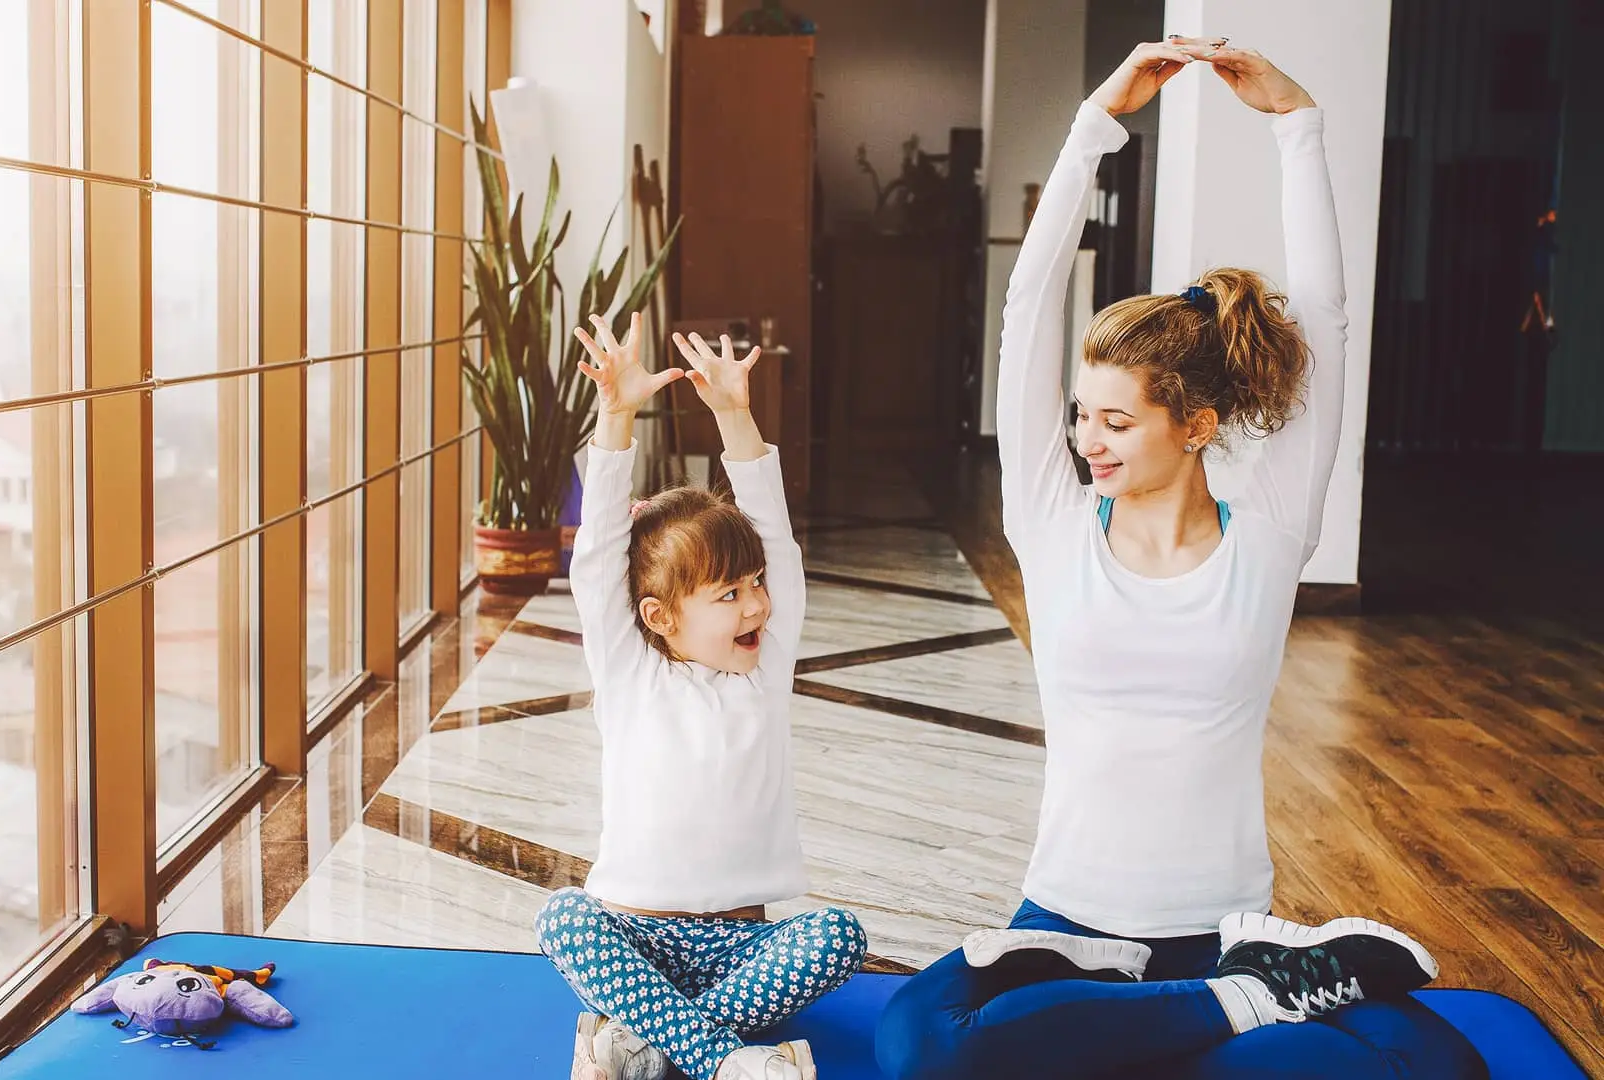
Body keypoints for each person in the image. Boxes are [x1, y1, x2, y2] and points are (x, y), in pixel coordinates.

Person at [872, 39, 1490, 1080]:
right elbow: (1026, 315)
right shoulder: (1055, 524)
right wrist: (1092, 129)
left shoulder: (1274, 531)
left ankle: (1235, 982)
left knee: (1444, 1071)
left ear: (1196, 425)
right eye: (1081, 417)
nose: (1088, 441)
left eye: (1118, 420)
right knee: (918, 1052)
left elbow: (1329, 328)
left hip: (1220, 920)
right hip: (1061, 923)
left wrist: (1301, 126)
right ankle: (1257, 1000)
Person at [535, 314, 867, 1080]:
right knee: (560, 918)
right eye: (728, 594)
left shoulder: (764, 671)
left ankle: (645, 1044)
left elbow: (776, 539)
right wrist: (616, 416)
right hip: (636, 936)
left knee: (838, 934)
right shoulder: (631, 674)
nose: (754, 605)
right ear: (659, 617)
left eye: (755, 587)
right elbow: (595, 564)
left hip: (744, 949)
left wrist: (735, 416)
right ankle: (726, 1061)